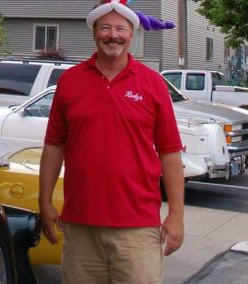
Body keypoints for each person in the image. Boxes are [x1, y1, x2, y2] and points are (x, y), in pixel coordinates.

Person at [39, 0, 184, 283]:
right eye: (105, 27)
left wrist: (176, 215)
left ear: (132, 34)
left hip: (138, 229)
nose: (112, 35)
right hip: (80, 227)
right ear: (94, 32)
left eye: (120, 28)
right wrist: (45, 202)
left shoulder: (153, 84)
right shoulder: (69, 81)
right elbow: (54, 146)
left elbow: (169, 153)